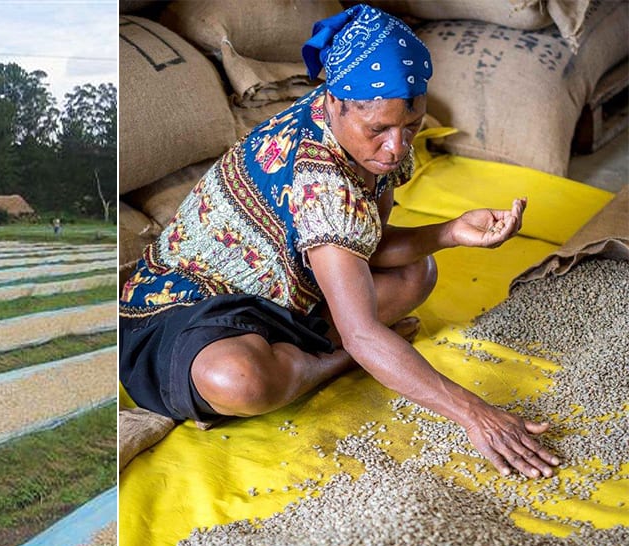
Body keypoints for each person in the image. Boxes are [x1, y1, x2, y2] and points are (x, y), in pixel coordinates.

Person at [119, 4, 558, 480]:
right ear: (333, 102)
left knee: (419, 272)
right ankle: (333, 363)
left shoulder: (377, 149)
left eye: (410, 125)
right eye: (380, 130)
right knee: (238, 380)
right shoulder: (320, 180)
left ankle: (310, 355)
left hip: (285, 293)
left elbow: (364, 242)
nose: (397, 147)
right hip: (183, 304)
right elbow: (363, 328)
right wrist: (478, 416)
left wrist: (450, 231)